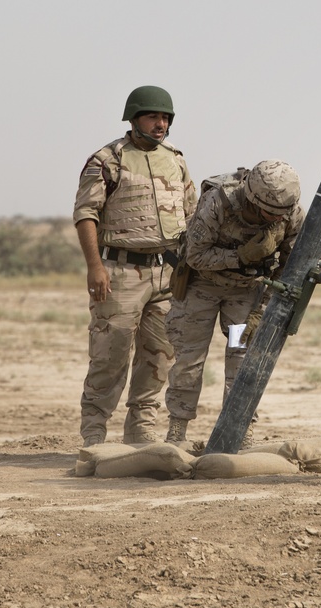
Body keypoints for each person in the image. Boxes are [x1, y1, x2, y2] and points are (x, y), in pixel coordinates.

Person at [73, 85, 197, 447]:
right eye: (152, 117)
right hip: (120, 273)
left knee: (159, 355)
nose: (160, 124)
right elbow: (85, 215)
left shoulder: (175, 159)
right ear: (134, 118)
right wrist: (94, 267)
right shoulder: (107, 160)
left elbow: (191, 213)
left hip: (168, 273)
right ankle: (94, 434)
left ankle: (141, 429)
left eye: (165, 118)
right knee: (109, 355)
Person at [164, 160, 304, 446]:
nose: (277, 220)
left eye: (282, 214)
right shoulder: (218, 202)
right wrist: (241, 256)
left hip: (245, 293)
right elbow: (195, 256)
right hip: (201, 287)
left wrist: (260, 309)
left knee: (241, 359)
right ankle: (177, 430)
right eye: (270, 214)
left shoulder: (290, 213)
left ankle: (240, 430)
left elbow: (289, 268)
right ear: (253, 200)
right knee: (189, 359)